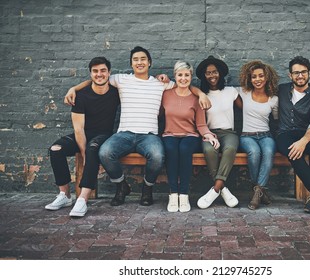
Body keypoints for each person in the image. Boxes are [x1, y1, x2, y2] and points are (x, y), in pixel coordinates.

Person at [64, 46, 210, 207]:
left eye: (142, 59)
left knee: (157, 157)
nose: (139, 62)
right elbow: (97, 79)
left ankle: (147, 188)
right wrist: (74, 88)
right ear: (131, 64)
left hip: (149, 136)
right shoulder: (121, 79)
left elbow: (185, 86)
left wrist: (201, 94)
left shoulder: (161, 84)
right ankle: (121, 186)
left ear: (149, 63)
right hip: (124, 134)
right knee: (105, 153)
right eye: (135, 60)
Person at [45, 57, 120, 217]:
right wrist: (84, 154)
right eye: (95, 71)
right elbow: (78, 129)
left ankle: (82, 199)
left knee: (93, 149)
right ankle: (65, 195)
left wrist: (88, 154)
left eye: (103, 70)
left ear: (109, 73)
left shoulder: (116, 92)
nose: (99, 74)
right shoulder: (81, 95)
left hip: (104, 135)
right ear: (90, 73)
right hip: (84, 133)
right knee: (55, 149)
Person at [161, 60, 220, 212]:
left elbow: (200, 124)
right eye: (180, 75)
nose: (183, 78)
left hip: (190, 135)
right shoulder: (165, 95)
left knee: (185, 149)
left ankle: (184, 194)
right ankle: (173, 194)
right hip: (169, 134)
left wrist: (209, 136)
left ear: (191, 76)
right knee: (171, 150)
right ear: (175, 76)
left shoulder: (196, 98)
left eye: (186, 75)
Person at [276, 56, 310, 217]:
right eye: (296, 73)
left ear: (309, 73)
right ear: (290, 75)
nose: (300, 76)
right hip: (284, 133)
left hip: (305, 132)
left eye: (303, 72)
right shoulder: (282, 89)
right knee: (294, 152)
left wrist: (303, 141)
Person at [195, 56, 241, 209]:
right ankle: (223, 190)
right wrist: (200, 94)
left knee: (230, 149)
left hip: (229, 133)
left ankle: (215, 189)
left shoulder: (231, 91)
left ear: (220, 73)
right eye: (208, 73)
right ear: (204, 76)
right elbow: (187, 87)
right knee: (209, 149)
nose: (212, 76)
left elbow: (247, 107)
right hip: (209, 133)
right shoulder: (201, 94)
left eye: (214, 72)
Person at [237, 60, 279, 210]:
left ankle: (257, 191)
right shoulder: (244, 92)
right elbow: (224, 92)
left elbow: (276, 119)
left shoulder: (273, 99)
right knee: (254, 152)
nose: (257, 79)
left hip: (266, 135)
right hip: (247, 136)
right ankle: (260, 192)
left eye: (261, 76)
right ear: (250, 79)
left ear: (267, 77)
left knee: (268, 151)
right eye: (254, 77)